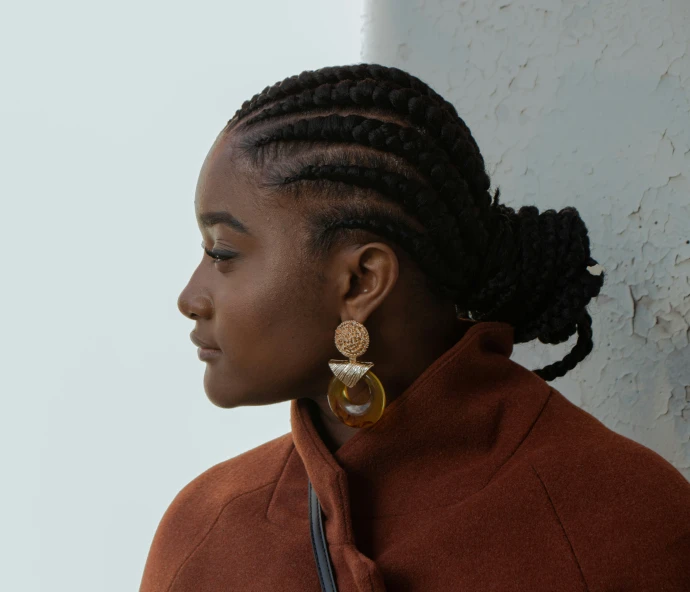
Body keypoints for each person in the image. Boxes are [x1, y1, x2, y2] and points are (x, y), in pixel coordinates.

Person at [139, 64, 690, 591]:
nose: (190, 298)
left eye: (223, 252)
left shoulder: (625, 518)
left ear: (360, 282)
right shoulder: (203, 536)